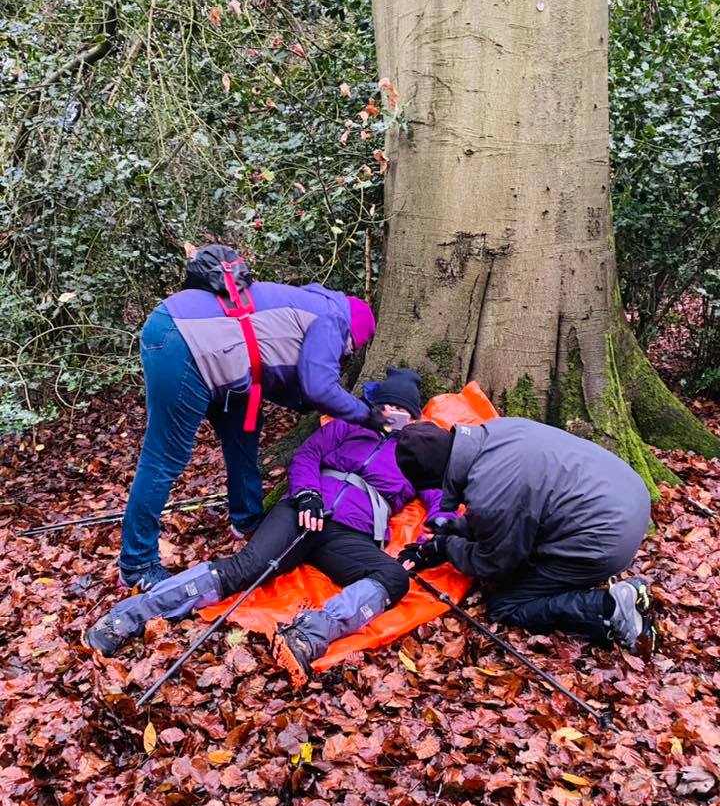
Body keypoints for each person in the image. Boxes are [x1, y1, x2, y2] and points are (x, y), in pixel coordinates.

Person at [87, 368, 447, 687]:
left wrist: (436, 530)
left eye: (401, 410)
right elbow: (308, 456)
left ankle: (307, 637)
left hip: (349, 533)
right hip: (303, 511)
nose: (392, 415)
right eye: (387, 407)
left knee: (393, 577)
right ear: (375, 407)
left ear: (414, 416)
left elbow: (439, 498)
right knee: (246, 568)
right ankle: (129, 617)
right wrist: (307, 494)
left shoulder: (416, 449)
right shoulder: (346, 425)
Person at [119, 244, 382, 591]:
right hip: (181, 341)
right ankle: (137, 563)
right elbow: (320, 387)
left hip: (223, 360)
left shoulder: (312, 303)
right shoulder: (333, 320)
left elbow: (284, 370)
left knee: (243, 436)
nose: (347, 353)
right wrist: (368, 416)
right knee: (165, 457)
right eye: (352, 347)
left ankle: (247, 519)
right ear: (355, 332)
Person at [395, 419, 656, 653]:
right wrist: (458, 528)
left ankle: (609, 607)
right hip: (626, 495)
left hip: (606, 538)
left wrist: (448, 547)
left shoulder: (491, 493)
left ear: (436, 477)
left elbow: (494, 563)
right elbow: (512, 508)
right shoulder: (496, 430)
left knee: (505, 605)